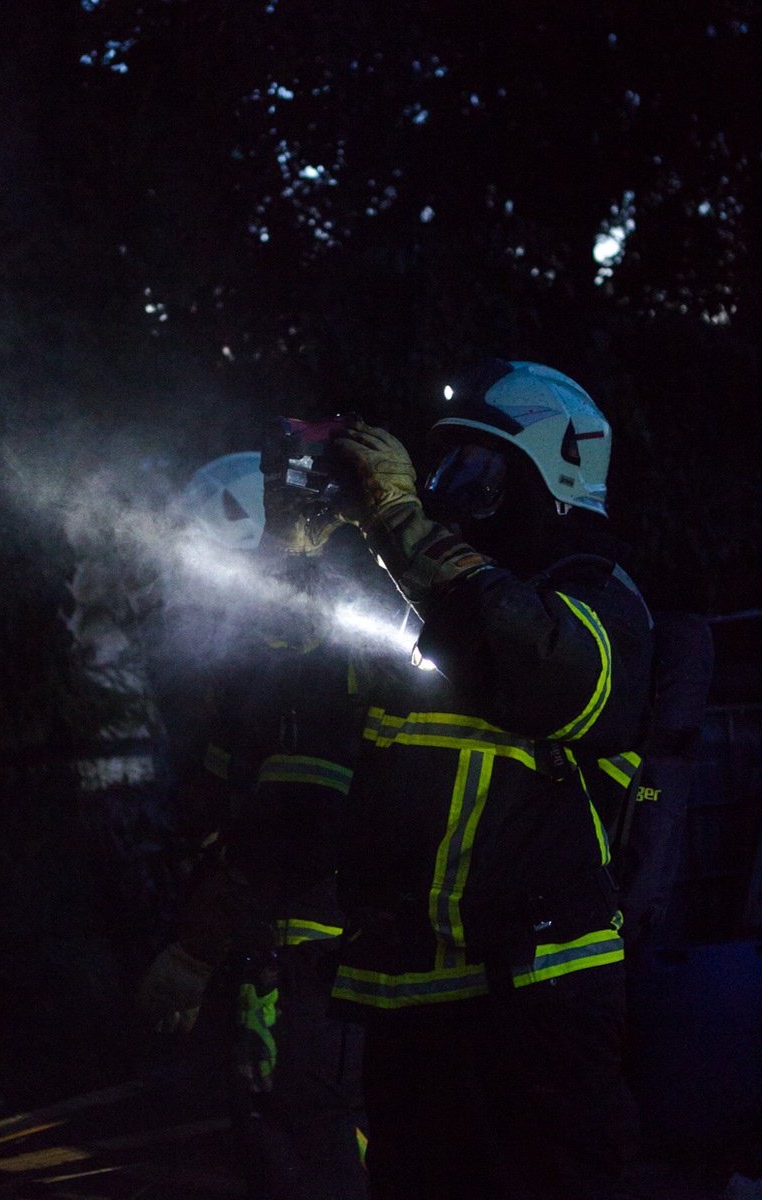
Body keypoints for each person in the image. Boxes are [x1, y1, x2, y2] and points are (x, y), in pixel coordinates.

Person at [329, 359, 655, 1200]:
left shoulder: (598, 595)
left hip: (535, 1009)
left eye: (479, 476)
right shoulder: (440, 604)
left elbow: (549, 668)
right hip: (414, 1006)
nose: (451, 497)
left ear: (553, 477)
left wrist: (401, 518)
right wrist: (323, 540)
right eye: (442, 476)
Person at [137, 451, 376, 1200]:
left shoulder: (305, 669)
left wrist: (195, 951)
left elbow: (297, 828)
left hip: (312, 966)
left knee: (312, 1159)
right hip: (283, 962)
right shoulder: (264, 676)